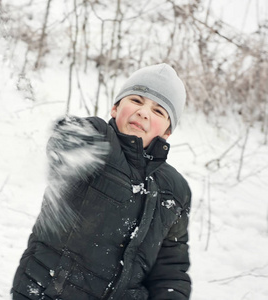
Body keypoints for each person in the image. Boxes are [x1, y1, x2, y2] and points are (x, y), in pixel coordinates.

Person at [11, 63, 192, 300]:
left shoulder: (175, 190)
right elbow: (69, 137)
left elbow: (171, 267)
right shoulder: (101, 142)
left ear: (167, 132)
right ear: (115, 108)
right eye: (136, 100)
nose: (144, 112)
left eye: (158, 111)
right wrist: (72, 140)